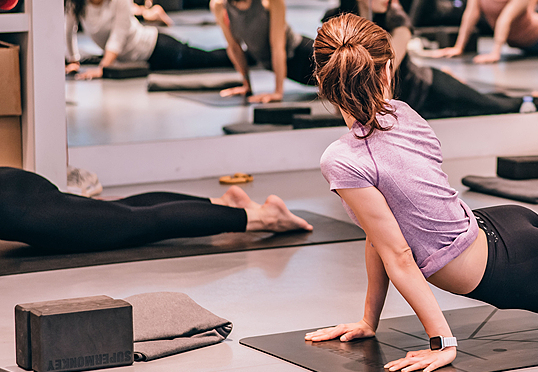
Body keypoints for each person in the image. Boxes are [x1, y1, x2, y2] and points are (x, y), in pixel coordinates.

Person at [305, 13, 538, 372]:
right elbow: (379, 239)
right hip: (503, 224)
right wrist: (369, 320)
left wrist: (441, 341)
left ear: (321, 79)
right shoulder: (403, 114)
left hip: (511, 266)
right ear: (386, 71)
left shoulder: (342, 159)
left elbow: (398, 253)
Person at [336, 0, 538, 118]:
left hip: (430, 87)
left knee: (493, 105)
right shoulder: (338, 25)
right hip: (409, 105)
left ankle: (535, 101)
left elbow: (385, 72)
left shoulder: (395, 19)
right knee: (481, 101)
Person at [0, 167, 312, 253]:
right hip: (13, 188)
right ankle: (226, 205)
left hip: (18, 208)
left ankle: (264, 217)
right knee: (119, 212)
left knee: (135, 222)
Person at [64, 0, 232, 79]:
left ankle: (245, 56)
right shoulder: (77, 3)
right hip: (133, 59)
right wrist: (74, 61)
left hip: (155, 47)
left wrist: (103, 68)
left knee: (207, 59)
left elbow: (118, 36)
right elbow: (68, 31)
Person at [210, 0, 317, 104]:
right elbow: (234, 47)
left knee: (354, 80)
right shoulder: (219, 4)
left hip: (305, 56)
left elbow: (278, 45)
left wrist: (277, 92)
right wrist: (247, 84)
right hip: (282, 68)